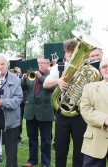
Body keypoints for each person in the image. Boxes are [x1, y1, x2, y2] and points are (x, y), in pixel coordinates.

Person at [43, 39, 87, 167]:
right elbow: (45, 84)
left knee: (80, 148)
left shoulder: (86, 68)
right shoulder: (59, 67)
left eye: (72, 51)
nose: (69, 55)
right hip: (62, 112)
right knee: (60, 147)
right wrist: (58, 81)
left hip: (80, 113)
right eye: (67, 52)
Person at [21, 56, 54, 167]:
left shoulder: (51, 75)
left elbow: (51, 89)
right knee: (32, 138)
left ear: (48, 64)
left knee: (46, 140)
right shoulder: (32, 74)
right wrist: (23, 80)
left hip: (45, 112)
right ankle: (32, 160)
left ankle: (45, 163)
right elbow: (25, 89)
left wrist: (40, 78)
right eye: (38, 62)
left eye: (42, 63)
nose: (39, 64)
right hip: (31, 111)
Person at [80, 56, 108, 167]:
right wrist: (105, 119)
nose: (107, 69)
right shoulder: (89, 88)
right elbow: (85, 110)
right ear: (100, 70)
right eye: (104, 67)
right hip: (95, 140)